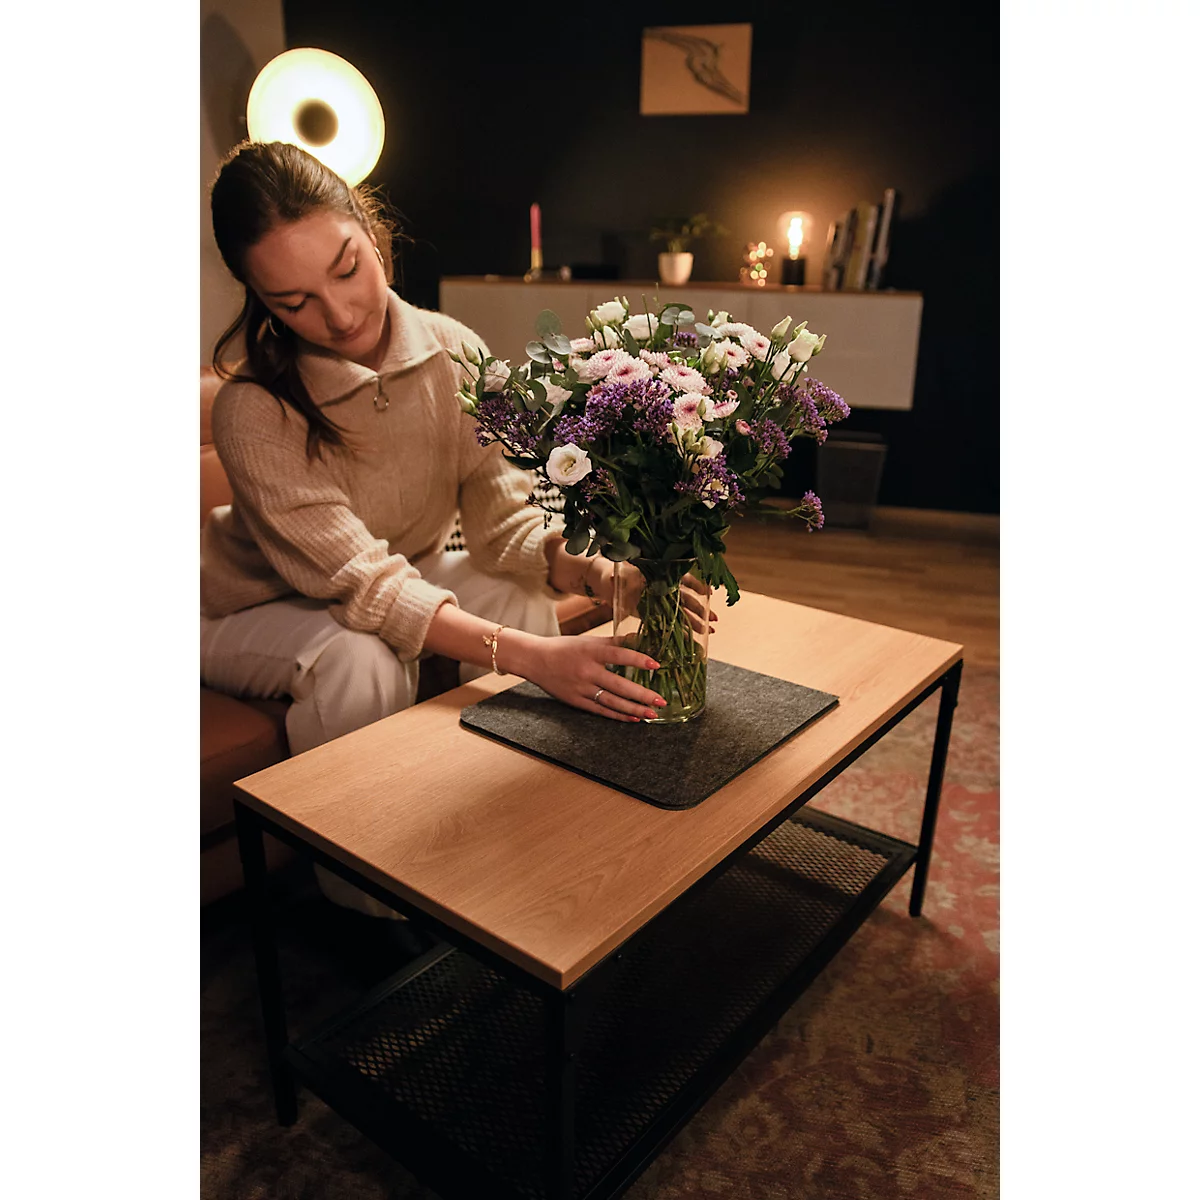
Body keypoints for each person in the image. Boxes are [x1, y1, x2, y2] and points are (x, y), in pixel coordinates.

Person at [201, 140, 682, 920]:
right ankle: (371, 903)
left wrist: (597, 571)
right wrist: (534, 658)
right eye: (293, 303)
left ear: (371, 231)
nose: (339, 315)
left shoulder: (454, 350)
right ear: (259, 298)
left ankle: (514, 808)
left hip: (390, 575)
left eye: (346, 270)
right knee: (360, 660)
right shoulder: (253, 409)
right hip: (246, 608)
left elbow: (501, 524)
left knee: (513, 591)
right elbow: (365, 586)